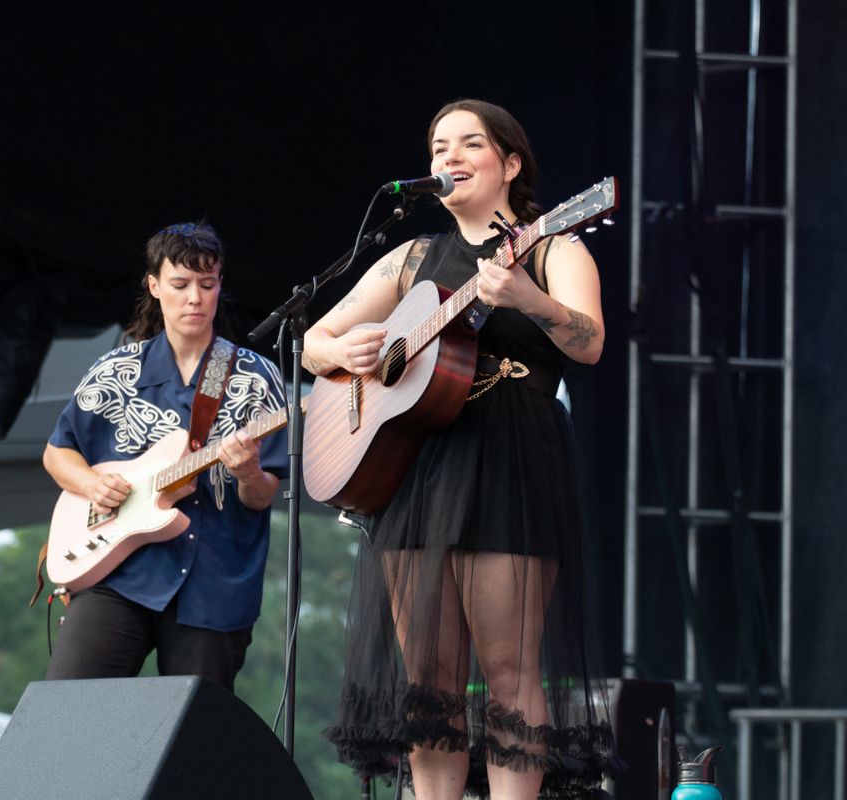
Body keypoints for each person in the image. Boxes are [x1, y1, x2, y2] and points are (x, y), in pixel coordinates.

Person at [310, 100, 618, 798]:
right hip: (418, 465)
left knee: (509, 670)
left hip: (508, 453)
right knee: (429, 678)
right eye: (437, 146)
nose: (448, 157)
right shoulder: (411, 257)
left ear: (509, 163)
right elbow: (312, 343)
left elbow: (591, 342)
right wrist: (347, 348)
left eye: (469, 143)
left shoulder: (554, 247)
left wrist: (529, 300)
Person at [41, 222, 288, 693]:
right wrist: (92, 485)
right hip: (117, 572)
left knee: (194, 739)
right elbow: (57, 453)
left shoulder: (256, 377)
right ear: (154, 287)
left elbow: (262, 496)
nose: (194, 297)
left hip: (213, 581)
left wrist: (249, 473)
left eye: (207, 284)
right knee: (65, 709)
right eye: (180, 284)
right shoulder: (117, 369)